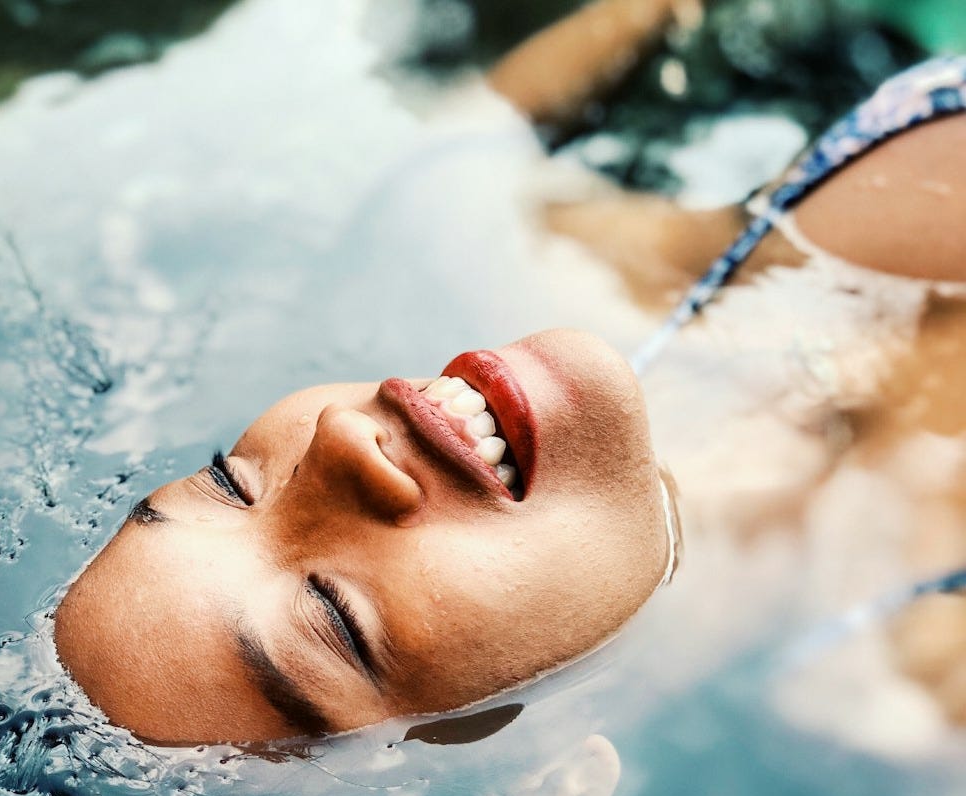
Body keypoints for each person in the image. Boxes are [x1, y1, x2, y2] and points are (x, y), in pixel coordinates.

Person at [55, 0, 966, 743]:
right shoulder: (921, 695)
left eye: (228, 482)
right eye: (330, 618)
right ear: (546, 785)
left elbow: (471, 140)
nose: (337, 439)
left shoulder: (517, 252)